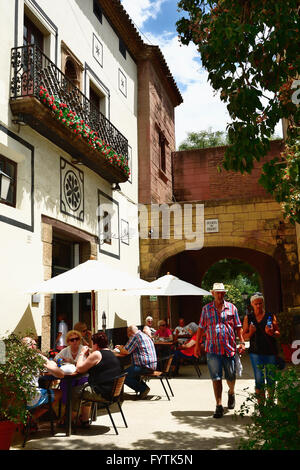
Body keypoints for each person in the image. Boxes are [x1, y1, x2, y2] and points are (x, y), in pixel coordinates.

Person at [194, 283, 245, 418]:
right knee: (216, 378)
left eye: (222, 292)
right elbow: (200, 328)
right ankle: (219, 405)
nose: (220, 294)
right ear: (213, 294)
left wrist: (242, 342)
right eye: (217, 292)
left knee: (231, 376)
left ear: (224, 294)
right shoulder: (206, 309)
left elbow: (238, 327)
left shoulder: (232, 308)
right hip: (212, 349)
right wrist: (197, 346)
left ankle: (231, 392)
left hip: (229, 348)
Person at [73, 332, 122, 427]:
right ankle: (84, 420)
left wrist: (82, 353)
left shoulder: (97, 354)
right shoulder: (111, 353)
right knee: (87, 387)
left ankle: (70, 420)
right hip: (112, 393)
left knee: (74, 391)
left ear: (95, 344)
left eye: (92, 343)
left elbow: (79, 369)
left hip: (102, 393)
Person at [243, 292, 280, 401]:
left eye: (260, 303)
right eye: (256, 304)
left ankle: (270, 403)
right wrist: (250, 332)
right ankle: (261, 408)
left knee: (271, 379)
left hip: (270, 352)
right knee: (259, 380)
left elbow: (278, 332)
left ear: (263, 303)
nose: (258, 306)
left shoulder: (270, 316)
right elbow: (244, 336)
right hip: (255, 353)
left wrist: (272, 332)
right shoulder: (248, 318)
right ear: (252, 305)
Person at [22, 337, 64, 425]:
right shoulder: (37, 357)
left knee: (43, 391)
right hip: (31, 397)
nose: (34, 346)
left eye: (34, 344)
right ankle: (33, 418)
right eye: (31, 344)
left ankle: (32, 422)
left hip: (16, 398)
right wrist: (49, 365)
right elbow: (60, 374)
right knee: (59, 393)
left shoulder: (15, 357)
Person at [116, 325, 157, 399]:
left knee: (122, 375)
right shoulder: (144, 335)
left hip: (144, 366)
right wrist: (123, 348)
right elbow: (128, 348)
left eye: (127, 333)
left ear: (129, 332)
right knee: (129, 372)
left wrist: (120, 348)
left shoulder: (135, 336)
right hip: (151, 365)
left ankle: (143, 389)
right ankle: (143, 388)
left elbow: (126, 351)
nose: (127, 335)